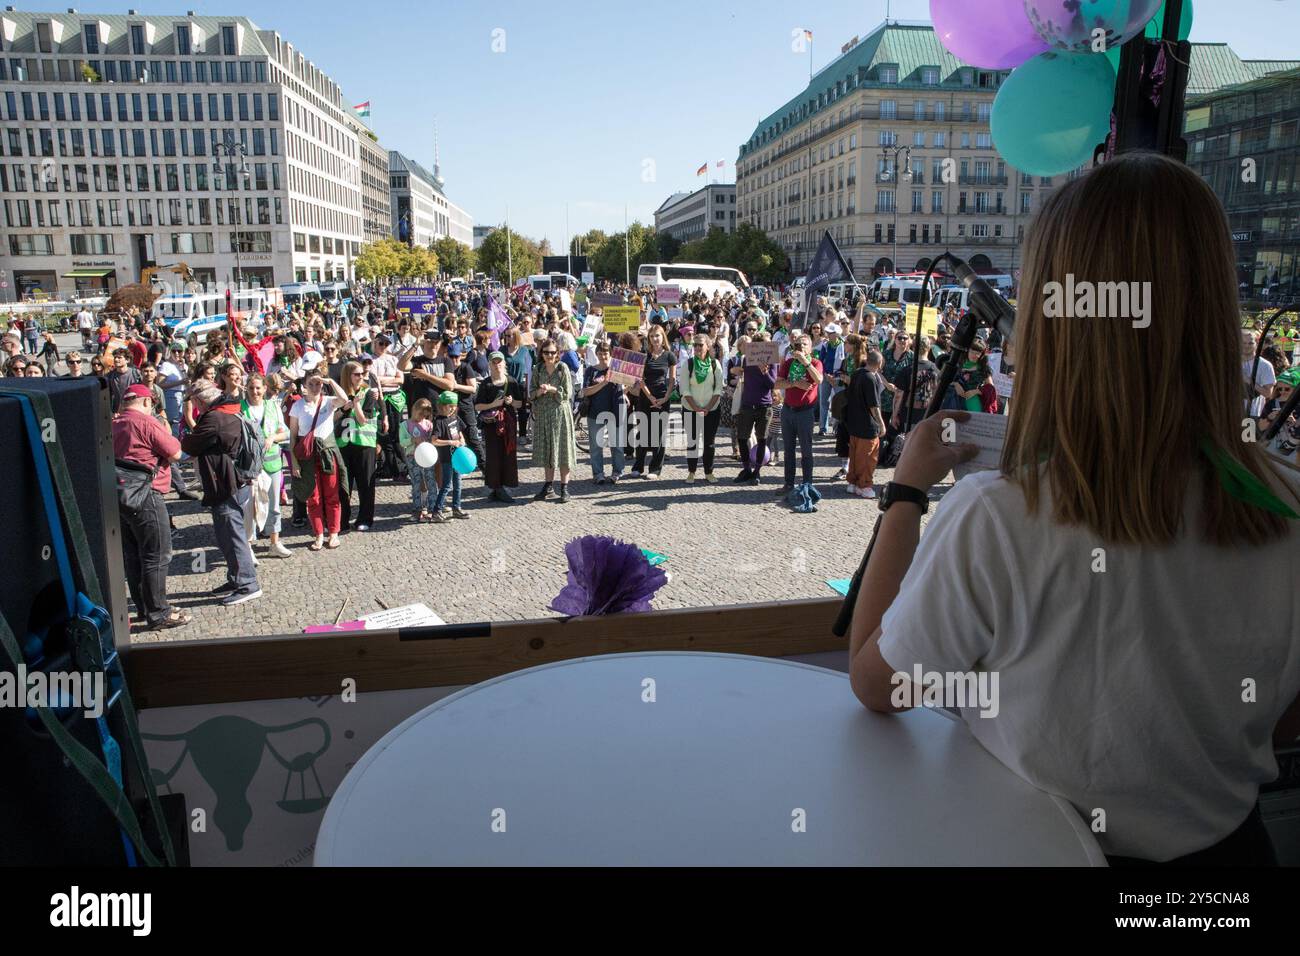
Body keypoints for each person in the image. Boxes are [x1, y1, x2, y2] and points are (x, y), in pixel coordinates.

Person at [848, 151, 1300, 866]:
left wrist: (905, 495)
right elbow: (1279, 720)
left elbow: (877, 681)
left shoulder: (997, 517)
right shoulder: (1287, 502)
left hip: (1044, 852)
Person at [112, 384, 190, 630]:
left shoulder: (113, 423)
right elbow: (176, 452)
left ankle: (145, 607)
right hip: (147, 493)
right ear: (147, 402)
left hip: (119, 495)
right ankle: (159, 613)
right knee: (157, 553)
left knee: (133, 554)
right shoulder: (145, 422)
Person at [180, 383, 262, 606]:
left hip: (226, 484)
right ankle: (237, 578)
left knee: (232, 536)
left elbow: (190, 444)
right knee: (229, 535)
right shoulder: (232, 409)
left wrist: (189, 424)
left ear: (199, 402)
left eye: (193, 402)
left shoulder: (213, 418)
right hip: (237, 481)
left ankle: (247, 584)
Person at [289, 373, 350, 551]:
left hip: (327, 454)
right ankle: (318, 534)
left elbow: (344, 398)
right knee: (313, 497)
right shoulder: (298, 406)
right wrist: (294, 462)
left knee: (332, 495)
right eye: (312, 384)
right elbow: (293, 437)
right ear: (305, 386)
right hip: (307, 457)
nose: (315, 387)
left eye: (318, 384)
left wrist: (330, 380)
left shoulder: (329, 401)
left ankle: (333, 533)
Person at [241, 373, 293, 559]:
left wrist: (272, 437)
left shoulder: (272, 406)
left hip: (272, 463)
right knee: (250, 507)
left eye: (258, 388)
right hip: (249, 465)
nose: (255, 391)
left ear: (265, 389)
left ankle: (274, 542)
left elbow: (285, 432)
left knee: (274, 505)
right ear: (246, 389)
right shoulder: (241, 408)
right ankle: (248, 547)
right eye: (251, 388)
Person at [774, 332, 824, 496]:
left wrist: (805, 362)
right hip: (788, 410)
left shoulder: (816, 363)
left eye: (804, 344)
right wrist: (794, 383)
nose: (800, 347)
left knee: (806, 450)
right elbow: (777, 383)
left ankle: (807, 485)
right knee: (788, 450)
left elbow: (819, 380)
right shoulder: (788, 363)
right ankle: (788, 483)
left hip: (805, 412)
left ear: (810, 348)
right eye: (797, 345)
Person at [474, 351, 525, 502]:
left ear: (504, 364)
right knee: (493, 456)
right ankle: (496, 487)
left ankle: (502, 486)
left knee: (508, 454)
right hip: (491, 425)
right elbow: (477, 406)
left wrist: (511, 402)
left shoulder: (512, 381)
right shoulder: (486, 383)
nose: (497, 365)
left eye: (499, 362)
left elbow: (520, 404)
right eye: (494, 362)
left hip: (508, 424)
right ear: (489, 365)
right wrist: (493, 404)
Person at [336, 360, 381, 532]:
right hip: (343, 444)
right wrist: (343, 408)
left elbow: (363, 421)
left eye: (362, 374)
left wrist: (355, 404)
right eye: (357, 374)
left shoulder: (368, 393)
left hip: (364, 444)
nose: (361, 377)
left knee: (365, 484)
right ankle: (342, 520)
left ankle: (365, 518)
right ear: (348, 376)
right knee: (343, 485)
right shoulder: (339, 394)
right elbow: (333, 418)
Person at [530, 340, 577, 501]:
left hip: (560, 414)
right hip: (543, 413)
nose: (549, 355)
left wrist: (552, 389)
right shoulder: (538, 369)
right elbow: (531, 393)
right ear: (541, 353)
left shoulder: (562, 368)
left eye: (552, 352)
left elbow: (568, 393)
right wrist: (539, 392)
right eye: (546, 352)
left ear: (557, 353)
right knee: (548, 450)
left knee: (563, 450)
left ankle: (564, 487)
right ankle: (548, 485)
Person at [630, 324, 675, 479]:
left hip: (663, 397)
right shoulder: (644, 354)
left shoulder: (669, 355)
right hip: (645, 397)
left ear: (663, 337)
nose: (655, 339)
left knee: (658, 433)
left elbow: (672, 381)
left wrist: (665, 398)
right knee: (643, 431)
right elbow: (640, 379)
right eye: (652, 336)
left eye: (658, 335)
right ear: (648, 338)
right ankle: (638, 465)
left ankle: (655, 468)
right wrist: (650, 397)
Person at [841, 344, 886, 499]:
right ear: (879, 364)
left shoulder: (857, 373)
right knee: (868, 458)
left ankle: (852, 483)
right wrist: (881, 423)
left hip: (854, 422)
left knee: (854, 455)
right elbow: (874, 406)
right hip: (867, 425)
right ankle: (864, 485)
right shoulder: (870, 378)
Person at [733, 331, 778, 484]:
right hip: (747, 404)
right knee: (742, 437)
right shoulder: (747, 359)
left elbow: (772, 384)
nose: (768, 346)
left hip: (764, 405)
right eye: (766, 343)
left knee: (762, 439)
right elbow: (736, 372)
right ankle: (746, 469)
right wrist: (734, 370)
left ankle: (757, 471)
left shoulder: (772, 361)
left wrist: (765, 372)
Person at [580, 341, 626, 485]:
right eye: (600, 353)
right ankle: (598, 473)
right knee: (595, 445)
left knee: (617, 444)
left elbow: (627, 386)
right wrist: (604, 383)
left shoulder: (617, 369)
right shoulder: (591, 371)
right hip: (596, 411)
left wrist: (626, 393)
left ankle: (617, 471)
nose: (603, 356)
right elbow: (585, 391)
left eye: (605, 353)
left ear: (610, 354)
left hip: (615, 411)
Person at [681, 333, 725, 483]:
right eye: (695, 345)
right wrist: (697, 408)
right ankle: (691, 472)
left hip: (711, 409)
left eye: (701, 345)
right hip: (690, 408)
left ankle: (709, 472)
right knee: (692, 441)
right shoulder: (688, 364)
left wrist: (707, 407)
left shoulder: (715, 364)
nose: (698, 347)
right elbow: (684, 390)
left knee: (709, 442)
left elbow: (718, 389)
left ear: (708, 346)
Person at [404, 398, 438, 521]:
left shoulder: (428, 424)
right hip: (412, 457)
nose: (421, 418)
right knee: (416, 483)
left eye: (425, 415)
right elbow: (402, 442)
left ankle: (432, 508)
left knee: (431, 482)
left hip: (427, 458)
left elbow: (432, 439)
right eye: (420, 414)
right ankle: (417, 509)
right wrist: (412, 440)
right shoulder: (405, 425)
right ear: (414, 409)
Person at [105, 348, 142, 413]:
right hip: (117, 412)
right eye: (115, 357)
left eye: (119, 357)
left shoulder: (137, 374)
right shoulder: (109, 376)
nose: (116, 359)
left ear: (127, 360)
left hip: (135, 411)